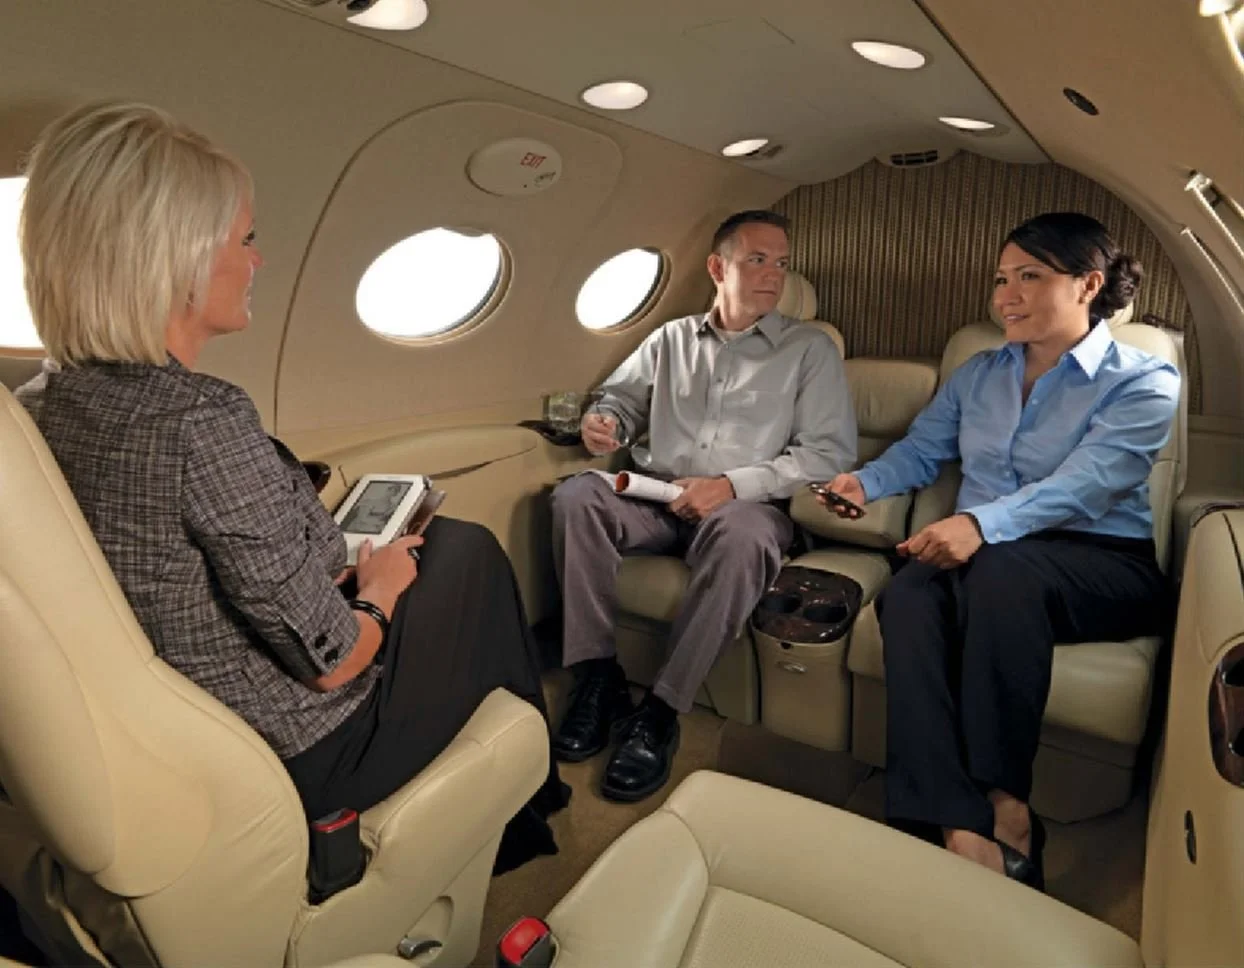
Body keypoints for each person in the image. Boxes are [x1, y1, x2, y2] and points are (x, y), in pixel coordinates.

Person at [14, 100, 568, 873]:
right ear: (173, 258)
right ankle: (529, 799)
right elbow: (335, 661)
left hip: (172, 723)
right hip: (299, 747)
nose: (258, 261)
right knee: (463, 553)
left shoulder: (39, 400)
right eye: (246, 239)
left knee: (439, 555)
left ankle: (523, 801)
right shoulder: (199, 420)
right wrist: (374, 591)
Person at [818, 212, 1180, 889]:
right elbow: (924, 451)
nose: (1004, 295)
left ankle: (1008, 806)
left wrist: (980, 525)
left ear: (1087, 284)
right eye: (1001, 279)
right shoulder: (980, 373)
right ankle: (954, 822)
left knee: (1003, 569)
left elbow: (1090, 481)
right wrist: (861, 482)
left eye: (1029, 277)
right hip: (987, 555)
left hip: (1100, 561)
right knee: (909, 594)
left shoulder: (1143, 379)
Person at [551, 210, 857, 802]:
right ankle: (596, 679)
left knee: (745, 535)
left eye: (783, 264)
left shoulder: (809, 350)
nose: (774, 276)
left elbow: (826, 455)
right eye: (757, 260)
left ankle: (661, 711)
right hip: (655, 496)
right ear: (718, 267)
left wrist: (732, 484)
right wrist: (604, 421)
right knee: (575, 495)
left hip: (743, 510)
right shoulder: (669, 338)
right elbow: (619, 399)